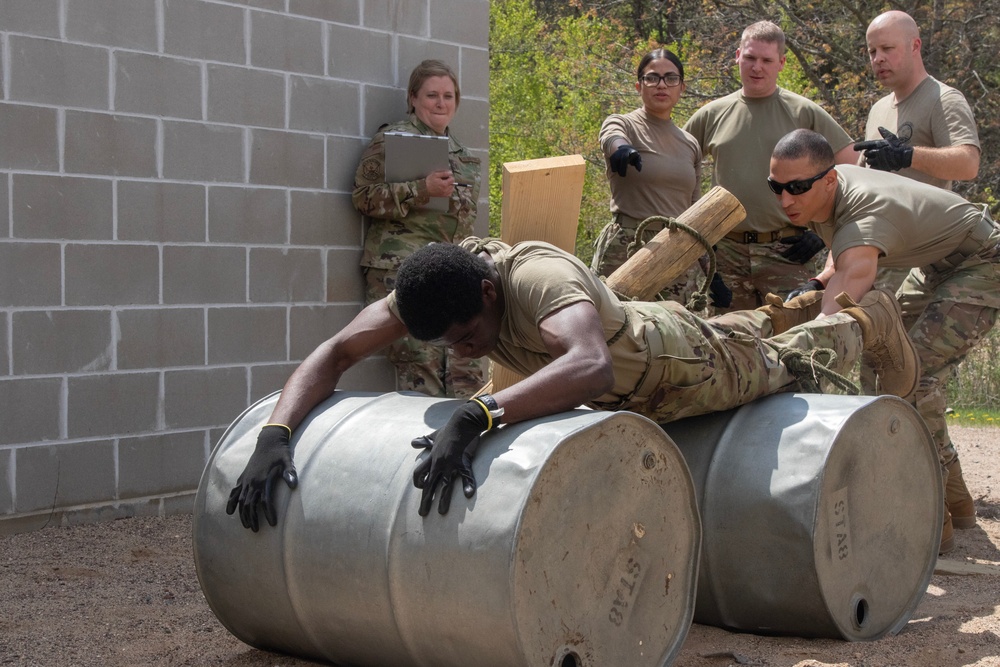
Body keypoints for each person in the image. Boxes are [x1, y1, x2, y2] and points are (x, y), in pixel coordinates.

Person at [226, 235, 919, 531]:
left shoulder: (537, 278)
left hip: (679, 371)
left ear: (493, 291)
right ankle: (788, 307)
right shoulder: (432, 289)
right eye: (448, 341)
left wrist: (479, 412)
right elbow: (335, 350)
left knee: (785, 362)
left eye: (470, 333)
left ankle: (867, 318)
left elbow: (590, 365)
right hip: (641, 353)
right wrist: (276, 433)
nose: (465, 347)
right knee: (749, 328)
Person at [769, 129, 1000, 553]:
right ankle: (957, 500)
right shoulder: (824, 191)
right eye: (776, 187)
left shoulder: (861, 212)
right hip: (937, 263)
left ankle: (931, 515)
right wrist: (816, 279)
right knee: (881, 364)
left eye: (796, 188)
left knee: (915, 376)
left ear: (829, 180)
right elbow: (842, 252)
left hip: (983, 259)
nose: (785, 200)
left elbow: (841, 300)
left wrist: (794, 352)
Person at [683, 20, 857, 311]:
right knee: (731, 344)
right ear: (737, 56)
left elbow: (852, 166)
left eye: (767, 60)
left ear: (782, 63)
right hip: (726, 253)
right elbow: (677, 167)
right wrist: (699, 233)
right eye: (750, 58)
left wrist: (822, 231)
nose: (757, 67)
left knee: (792, 342)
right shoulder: (711, 115)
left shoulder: (803, 112)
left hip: (787, 252)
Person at [352, 59, 484, 399]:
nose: (441, 103)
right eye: (431, 95)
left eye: (448, 96)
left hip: (450, 278)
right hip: (403, 274)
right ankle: (422, 450)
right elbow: (363, 198)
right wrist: (420, 189)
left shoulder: (464, 157)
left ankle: (463, 444)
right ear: (413, 98)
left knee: (465, 367)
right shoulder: (392, 142)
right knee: (420, 365)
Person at [854, 9, 981, 300]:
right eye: (872, 51)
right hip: (877, 257)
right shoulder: (878, 109)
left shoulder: (942, 99)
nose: (878, 58)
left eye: (887, 48)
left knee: (909, 345)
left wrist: (908, 156)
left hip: (921, 262)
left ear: (915, 46)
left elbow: (968, 163)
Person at [595, 48, 727, 308]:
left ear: (682, 87)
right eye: (652, 78)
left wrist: (711, 270)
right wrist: (621, 148)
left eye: (670, 78)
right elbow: (610, 136)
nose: (661, 85)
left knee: (679, 334)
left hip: (677, 249)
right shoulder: (624, 124)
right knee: (617, 330)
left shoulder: (690, 143)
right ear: (638, 85)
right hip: (629, 245)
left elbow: (694, 211)